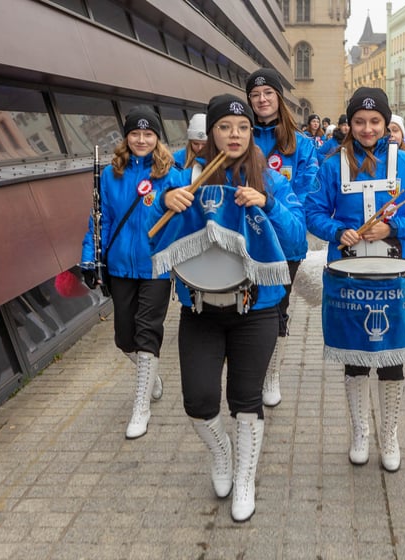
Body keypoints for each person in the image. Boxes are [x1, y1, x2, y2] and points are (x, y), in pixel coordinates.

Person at [149, 94, 305, 522]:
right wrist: (166, 203)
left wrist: (267, 204)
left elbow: (297, 239)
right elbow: (151, 232)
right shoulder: (185, 177)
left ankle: (245, 478)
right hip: (200, 308)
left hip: (256, 309)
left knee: (245, 398)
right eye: (224, 127)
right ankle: (222, 455)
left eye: (241, 128)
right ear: (210, 134)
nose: (234, 135)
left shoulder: (269, 179)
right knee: (198, 401)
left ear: (250, 133)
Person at [306, 87, 405, 472]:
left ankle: (390, 434)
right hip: (348, 276)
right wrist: (336, 231)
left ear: (385, 123)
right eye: (360, 121)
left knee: (392, 358)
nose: (367, 128)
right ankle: (360, 431)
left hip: (395, 276)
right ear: (350, 124)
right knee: (355, 358)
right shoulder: (331, 166)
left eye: (375, 121)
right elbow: (313, 212)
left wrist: (392, 228)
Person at [80, 106, 183, 439]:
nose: (141, 139)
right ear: (126, 137)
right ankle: (149, 374)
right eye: (135, 134)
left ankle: (141, 407)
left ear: (157, 137)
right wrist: (89, 259)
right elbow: (101, 220)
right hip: (120, 265)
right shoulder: (112, 174)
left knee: (147, 331)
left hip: (156, 266)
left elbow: (184, 217)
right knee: (125, 338)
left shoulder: (171, 173)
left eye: (148, 133)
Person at [245, 68, 317, 407]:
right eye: (256, 95)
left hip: (285, 243)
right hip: (245, 239)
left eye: (268, 93)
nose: (261, 100)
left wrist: (277, 213)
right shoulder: (240, 137)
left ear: (279, 98)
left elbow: (306, 196)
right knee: (246, 305)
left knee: (276, 306)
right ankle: (249, 369)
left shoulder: (300, 145)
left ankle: (271, 374)